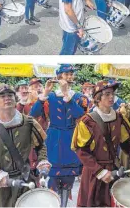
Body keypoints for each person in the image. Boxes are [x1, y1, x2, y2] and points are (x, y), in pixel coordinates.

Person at [0, 85, 50, 207]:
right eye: (2, 96)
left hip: (26, 181)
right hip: (0, 187)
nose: (7, 98)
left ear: (15, 99)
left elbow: (40, 146)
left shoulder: (29, 123)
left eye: (10, 95)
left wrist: (42, 161)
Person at [71, 80, 130, 207]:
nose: (111, 97)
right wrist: (100, 172)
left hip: (113, 170)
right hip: (94, 173)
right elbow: (82, 151)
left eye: (112, 94)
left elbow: (125, 142)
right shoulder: (87, 121)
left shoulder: (119, 118)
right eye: (107, 94)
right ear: (98, 98)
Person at [30, 64, 88, 207]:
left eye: (71, 74)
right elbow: (33, 114)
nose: (69, 77)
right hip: (53, 139)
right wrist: (44, 93)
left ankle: (63, 205)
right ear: (59, 76)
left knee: (69, 180)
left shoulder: (79, 97)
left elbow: (80, 115)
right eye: (66, 74)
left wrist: (67, 95)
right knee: (52, 179)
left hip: (71, 138)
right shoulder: (50, 96)